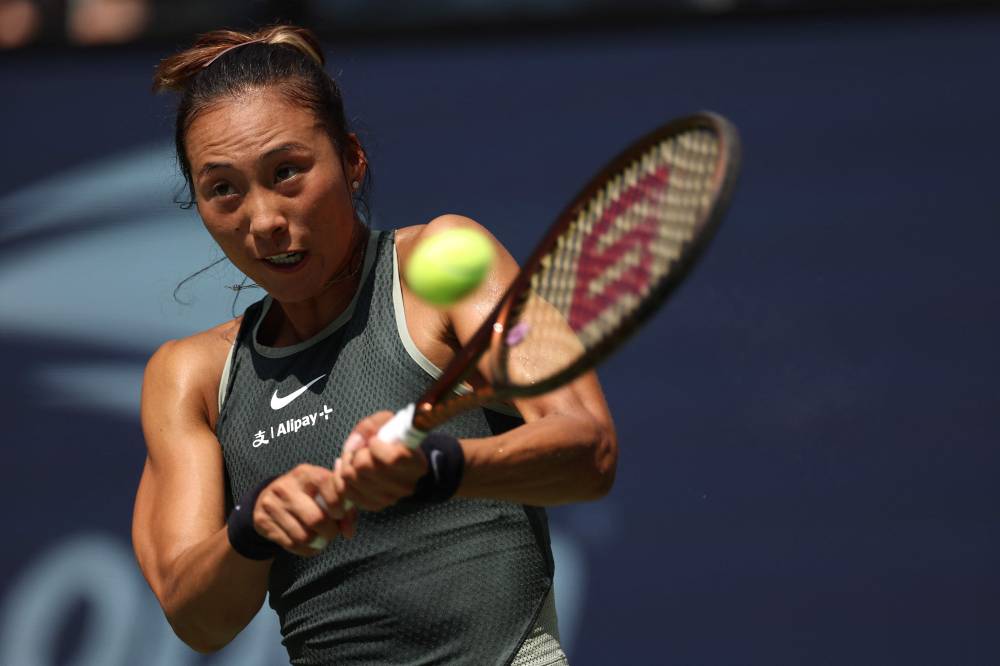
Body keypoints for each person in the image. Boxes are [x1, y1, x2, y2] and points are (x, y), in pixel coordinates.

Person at [131, 24, 617, 666]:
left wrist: (441, 468)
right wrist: (252, 528)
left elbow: (589, 448)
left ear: (352, 159)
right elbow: (196, 617)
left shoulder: (443, 263)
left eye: (288, 172)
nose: (265, 220)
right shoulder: (189, 375)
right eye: (223, 189)